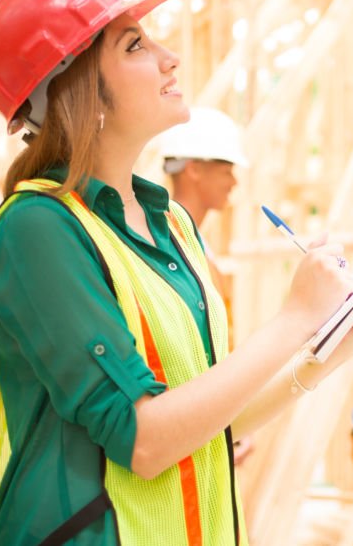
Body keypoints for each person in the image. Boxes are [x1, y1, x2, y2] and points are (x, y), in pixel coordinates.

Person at [0, 0, 353, 546]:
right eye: (135, 46)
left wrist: (337, 343)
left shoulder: (171, 225)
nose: (169, 58)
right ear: (75, 90)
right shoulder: (38, 229)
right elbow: (145, 442)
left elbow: (210, 425)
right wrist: (295, 317)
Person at [155, 107, 255, 464]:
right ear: (194, 169)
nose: (234, 182)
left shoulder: (195, 241)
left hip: (204, 422)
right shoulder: (163, 242)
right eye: (227, 170)